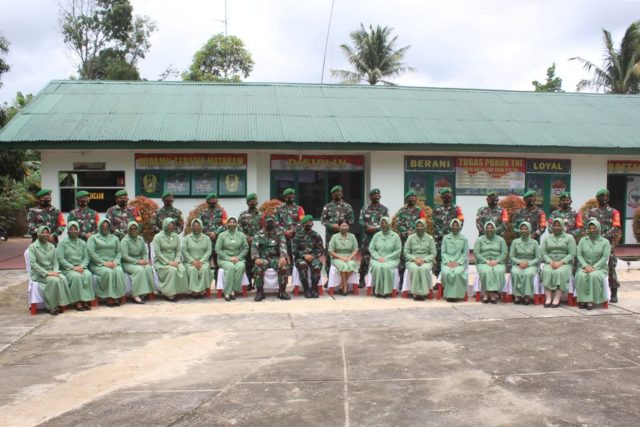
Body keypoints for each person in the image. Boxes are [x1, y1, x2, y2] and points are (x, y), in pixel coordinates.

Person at [28, 226, 73, 315]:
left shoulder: (52, 246)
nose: (45, 235)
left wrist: (55, 271)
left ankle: (62, 303)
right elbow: (33, 264)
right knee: (55, 280)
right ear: (38, 234)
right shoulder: (33, 247)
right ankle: (51, 306)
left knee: (63, 278)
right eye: (43, 232)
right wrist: (47, 273)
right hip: (39, 274)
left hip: (52, 272)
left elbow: (55, 262)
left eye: (47, 233)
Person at [587, 189, 621, 303]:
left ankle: (614, 292)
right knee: (592, 264)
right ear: (597, 199)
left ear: (608, 198)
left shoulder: (614, 212)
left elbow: (616, 227)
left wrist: (603, 236)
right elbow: (588, 226)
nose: (604, 199)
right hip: (593, 244)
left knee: (611, 266)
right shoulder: (591, 212)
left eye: (606, 197)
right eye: (602, 197)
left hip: (608, 244)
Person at [87, 218, 126, 307]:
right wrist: (103, 263)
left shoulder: (115, 238)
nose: (105, 228)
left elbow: (119, 252)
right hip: (98, 264)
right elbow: (91, 252)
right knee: (108, 272)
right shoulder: (93, 238)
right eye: (103, 226)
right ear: (99, 227)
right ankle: (109, 297)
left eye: (107, 226)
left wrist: (115, 262)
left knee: (119, 271)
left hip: (113, 263)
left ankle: (117, 296)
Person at [56, 221, 95, 311]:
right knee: (76, 277)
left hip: (81, 267)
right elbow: (60, 259)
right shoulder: (62, 243)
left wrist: (82, 266)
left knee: (88, 275)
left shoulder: (83, 243)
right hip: (68, 269)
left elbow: (86, 258)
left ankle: (85, 300)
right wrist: (73, 267)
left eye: (75, 229)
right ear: (68, 231)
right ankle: (77, 302)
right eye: (71, 229)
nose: (73, 231)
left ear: (78, 231)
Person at [575, 219, 611, 310]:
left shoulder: (605, 242)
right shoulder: (583, 240)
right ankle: (582, 300)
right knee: (580, 275)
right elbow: (579, 255)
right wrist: (585, 266)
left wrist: (594, 267)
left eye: (594, 228)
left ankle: (591, 301)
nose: (591, 230)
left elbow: (605, 257)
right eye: (590, 228)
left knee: (593, 275)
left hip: (600, 268)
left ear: (599, 229)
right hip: (584, 267)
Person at [252, 215, 289, 301]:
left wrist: (283, 257)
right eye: (268, 222)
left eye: (271, 222)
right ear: (264, 223)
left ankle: (282, 292)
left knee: (283, 267)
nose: (270, 224)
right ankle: (260, 292)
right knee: (257, 267)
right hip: (263, 259)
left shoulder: (279, 233)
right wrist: (256, 258)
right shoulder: (258, 234)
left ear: (275, 223)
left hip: (275, 258)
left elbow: (283, 246)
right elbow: (254, 247)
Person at [541, 218, 577, 308]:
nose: (556, 227)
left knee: (560, 272)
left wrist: (561, 262)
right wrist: (550, 262)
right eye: (554, 225)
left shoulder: (569, 237)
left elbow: (572, 253)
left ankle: (557, 298)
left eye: (558, 225)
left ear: (562, 226)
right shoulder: (547, 238)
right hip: (551, 262)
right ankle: (548, 298)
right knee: (546, 271)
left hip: (565, 263)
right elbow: (543, 253)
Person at [358, 188, 389, 287]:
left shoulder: (384, 209)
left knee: (379, 257)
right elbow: (360, 221)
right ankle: (362, 279)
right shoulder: (365, 208)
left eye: (377, 195)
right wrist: (367, 226)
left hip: (380, 238)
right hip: (367, 237)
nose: (376, 197)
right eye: (374, 195)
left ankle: (379, 280)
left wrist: (375, 228)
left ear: (380, 196)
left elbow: (387, 222)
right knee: (365, 258)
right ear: (370, 197)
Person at [152, 218, 189, 301]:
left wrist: (176, 260)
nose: (171, 228)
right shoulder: (158, 237)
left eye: (172, 226)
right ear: (164, 225)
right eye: (169, 226)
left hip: (174, 261)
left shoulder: (175, 236)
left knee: (182, 269)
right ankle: (169, 294)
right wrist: (168, 262)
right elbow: (158, 253)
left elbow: (178, 250)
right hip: (162, 262)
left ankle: (179, 291)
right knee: (172, 270)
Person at [321, 185, 355, 273]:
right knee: (329, 254)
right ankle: (329, 276)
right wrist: (332, 226)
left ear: (342, 193)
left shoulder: (347, 206)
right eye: (334, 193)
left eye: (338, 192)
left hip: (344, 235)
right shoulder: (327, 206)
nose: (337, 194)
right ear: (332, 195)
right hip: (330, 235)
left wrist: (342, 226)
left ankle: (344, 274)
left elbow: (351, 220)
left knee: (345, 253)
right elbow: (323, 220)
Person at [120, 221, 156, 304]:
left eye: (135, 229)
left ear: (137, 229)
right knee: (139, 270)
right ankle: (136, 295)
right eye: (131, 229)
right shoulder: (125, 241)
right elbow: (125, 257)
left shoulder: (140, 239)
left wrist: (144, 260)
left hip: (140, 261)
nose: (133, 230)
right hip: (128, 263)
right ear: (128, 230)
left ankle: (146, 292)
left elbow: (144, 253)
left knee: (148, 268)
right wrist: (138, 262)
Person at [432, 187, 464, 277]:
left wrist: (452, 235)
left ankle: (451, 279)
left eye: (449, 196)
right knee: (440, 260)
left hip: (453, 240)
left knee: (452, 259)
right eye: (446, 196)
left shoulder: (457, 209)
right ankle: (439, 280)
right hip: (440, 240)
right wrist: (442, 235)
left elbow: (461, 222)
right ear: (442, 197)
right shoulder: (436, 209)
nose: (448, 198)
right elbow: (434, 224)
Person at [394, 190, 426, 280]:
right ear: (407, 199)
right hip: (404, 239)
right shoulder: (401, 211)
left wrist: (415, 232)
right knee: (403, 260)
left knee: (415, 258)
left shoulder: (420, 211)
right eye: (410, 198)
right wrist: (406, 232)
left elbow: (423, 223)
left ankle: (416, 280)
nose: (412, 199)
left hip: (416, 239)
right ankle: (402, 281)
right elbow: (398, 224)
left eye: (414, 197)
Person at [216, 217, 249, 301]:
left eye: (234, 222)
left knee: (241, 266)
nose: (232, 224)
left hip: (238, 258)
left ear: (236, 224)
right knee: (231, 267)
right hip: (224, 259)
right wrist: (229, 258)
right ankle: (227, 292)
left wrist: (239, 257)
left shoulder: (241, 235)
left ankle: (233, 290)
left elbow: (246, 248)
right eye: (230, 222)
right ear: (227, 224)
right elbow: (217, 249)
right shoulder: (222, 235)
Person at [474, 221, 507, 304]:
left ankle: (491, 294)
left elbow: (504, 253)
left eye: (491, 228)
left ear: (494, 229)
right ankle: (487, 294)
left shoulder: (501, 240)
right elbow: (476, 253)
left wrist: (496, 261)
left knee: (498, 271)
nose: (489, 229)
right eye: (487, 228)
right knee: (486, 271)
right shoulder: (479, 240)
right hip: (483, 262)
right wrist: (486, 261)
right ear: (485, 229)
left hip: (498, 262)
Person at [404, 218, 437, 301]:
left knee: (424, 269)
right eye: (418, 226)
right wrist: (414, 259)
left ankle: (423, 293)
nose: (419, 228)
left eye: (421, 226)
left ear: (425, 227)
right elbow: (406, 252)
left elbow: (433, 253)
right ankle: (416, 293)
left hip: (426, 261)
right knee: (415, 268)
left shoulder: (430, 238)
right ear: (415, 227)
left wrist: (424, 260)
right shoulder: (410, 238)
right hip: (412, 261)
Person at [369, 216, 402, 298]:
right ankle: (377, 290)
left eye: (386, 223)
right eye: (382, 223)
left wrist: (386, 258)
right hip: (377, 259)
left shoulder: (395, 236)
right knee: (377, 266)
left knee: (386, 267)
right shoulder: (376, 235)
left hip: (392, 259)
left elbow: (398, 250)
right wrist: (378, 257)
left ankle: (387, 290)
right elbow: (371, 248)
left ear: (389, 224)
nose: (384, 225)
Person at [292, 215, 324, 298]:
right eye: (307, 223)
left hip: (313, 257)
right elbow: (294, 250)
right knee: (302, 265)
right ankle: (306, 289)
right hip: (301, 258)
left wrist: (313, 256)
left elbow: (321, 250)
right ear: (303, 225)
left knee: (317, 266)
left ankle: (314, 289)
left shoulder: (316, 235)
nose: (309, 224)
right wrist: (304, 255)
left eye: (310, 223)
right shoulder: (297, 235)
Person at [509, 222, 540, 305]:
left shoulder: (534, 243)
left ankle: (527, 296)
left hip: (531, 264)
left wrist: (528, 264)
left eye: (526, 229)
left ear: (529, 230)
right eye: (522, 229)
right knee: (515, 272)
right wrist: (519, 262)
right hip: (518, 263)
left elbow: (538, 257)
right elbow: (511, 256)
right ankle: (517, 295)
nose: (523, 230)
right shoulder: (515, 242)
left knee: (528, 274)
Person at [182, 218, 214, 298]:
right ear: (192, 227)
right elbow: (184, 251)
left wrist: (201, 261)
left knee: (204, 269)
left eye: (198, 225)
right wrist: (193, 261)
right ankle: (194, 291)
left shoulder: (206, 238)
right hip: (190, 262)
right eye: (194, 225)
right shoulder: (187, 238)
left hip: (203, 262)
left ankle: (202, 290)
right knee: (192, 270)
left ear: (201, 226)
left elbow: (208, 251)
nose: (196, 227)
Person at [328, 219, 359, 296]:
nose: (344, 227)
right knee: (343, 265)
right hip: (337, 258)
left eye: (346, 226)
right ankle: (345, 287)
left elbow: (355, 249)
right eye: (342, 226)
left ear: (348, 227)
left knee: (352, 264)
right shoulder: (334, 237)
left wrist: (350, 257)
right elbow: (331, 251)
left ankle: (341, 284)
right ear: (339, 227)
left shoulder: (352, 236)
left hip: (349, 257)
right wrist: (341, 258)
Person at [441, 218, 469, 302]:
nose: (455, 227)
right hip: (447, 263)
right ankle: (448, 295)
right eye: (453, 225)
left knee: (457, 272)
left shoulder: (464, 239)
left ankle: (456, 295)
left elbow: (465, 253)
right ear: (451, 226)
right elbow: (443, 252)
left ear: (460, 227)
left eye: (457, 225)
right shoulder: (446, 238)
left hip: (459, 263)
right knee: (447, 272)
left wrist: (458, 263)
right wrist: (447, 262)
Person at [275, 188, 305, 264]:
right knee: (284, 256)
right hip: (282, 236)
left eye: (292, 195)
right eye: (289, 195)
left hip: (296, 235)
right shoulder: (278, 209)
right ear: (285, 197)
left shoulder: (299, 209)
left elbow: (302, 222)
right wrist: (285, 231)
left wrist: (292, 231)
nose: (292, 196)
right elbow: (276, 222)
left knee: (296, 256)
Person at [199, 192, 227, 270]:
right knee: (205, 264)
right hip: (206, 241)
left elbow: (225, 224)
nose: (213, 201)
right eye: (211, 200)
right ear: (207, 201)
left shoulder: (222, 212)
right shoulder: (202, 213)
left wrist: (215, 233)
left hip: (218, 241)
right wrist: (208, 233)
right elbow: (199, 225)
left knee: (219, 264)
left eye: (214, 200)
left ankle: (218, 278)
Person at [238, 193, 261, 288]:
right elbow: (239, 228)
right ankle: (248, 284)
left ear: (257, 202)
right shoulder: (243, 215)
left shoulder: (261, 214)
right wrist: (246, 237)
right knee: (247, 263)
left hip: (258, 243)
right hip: (246, 242)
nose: (253, 203)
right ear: (247, 203)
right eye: (251, 201)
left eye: (254, 201)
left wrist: (255, 238)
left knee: (257, 262)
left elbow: (264, 228)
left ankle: (257, 283)